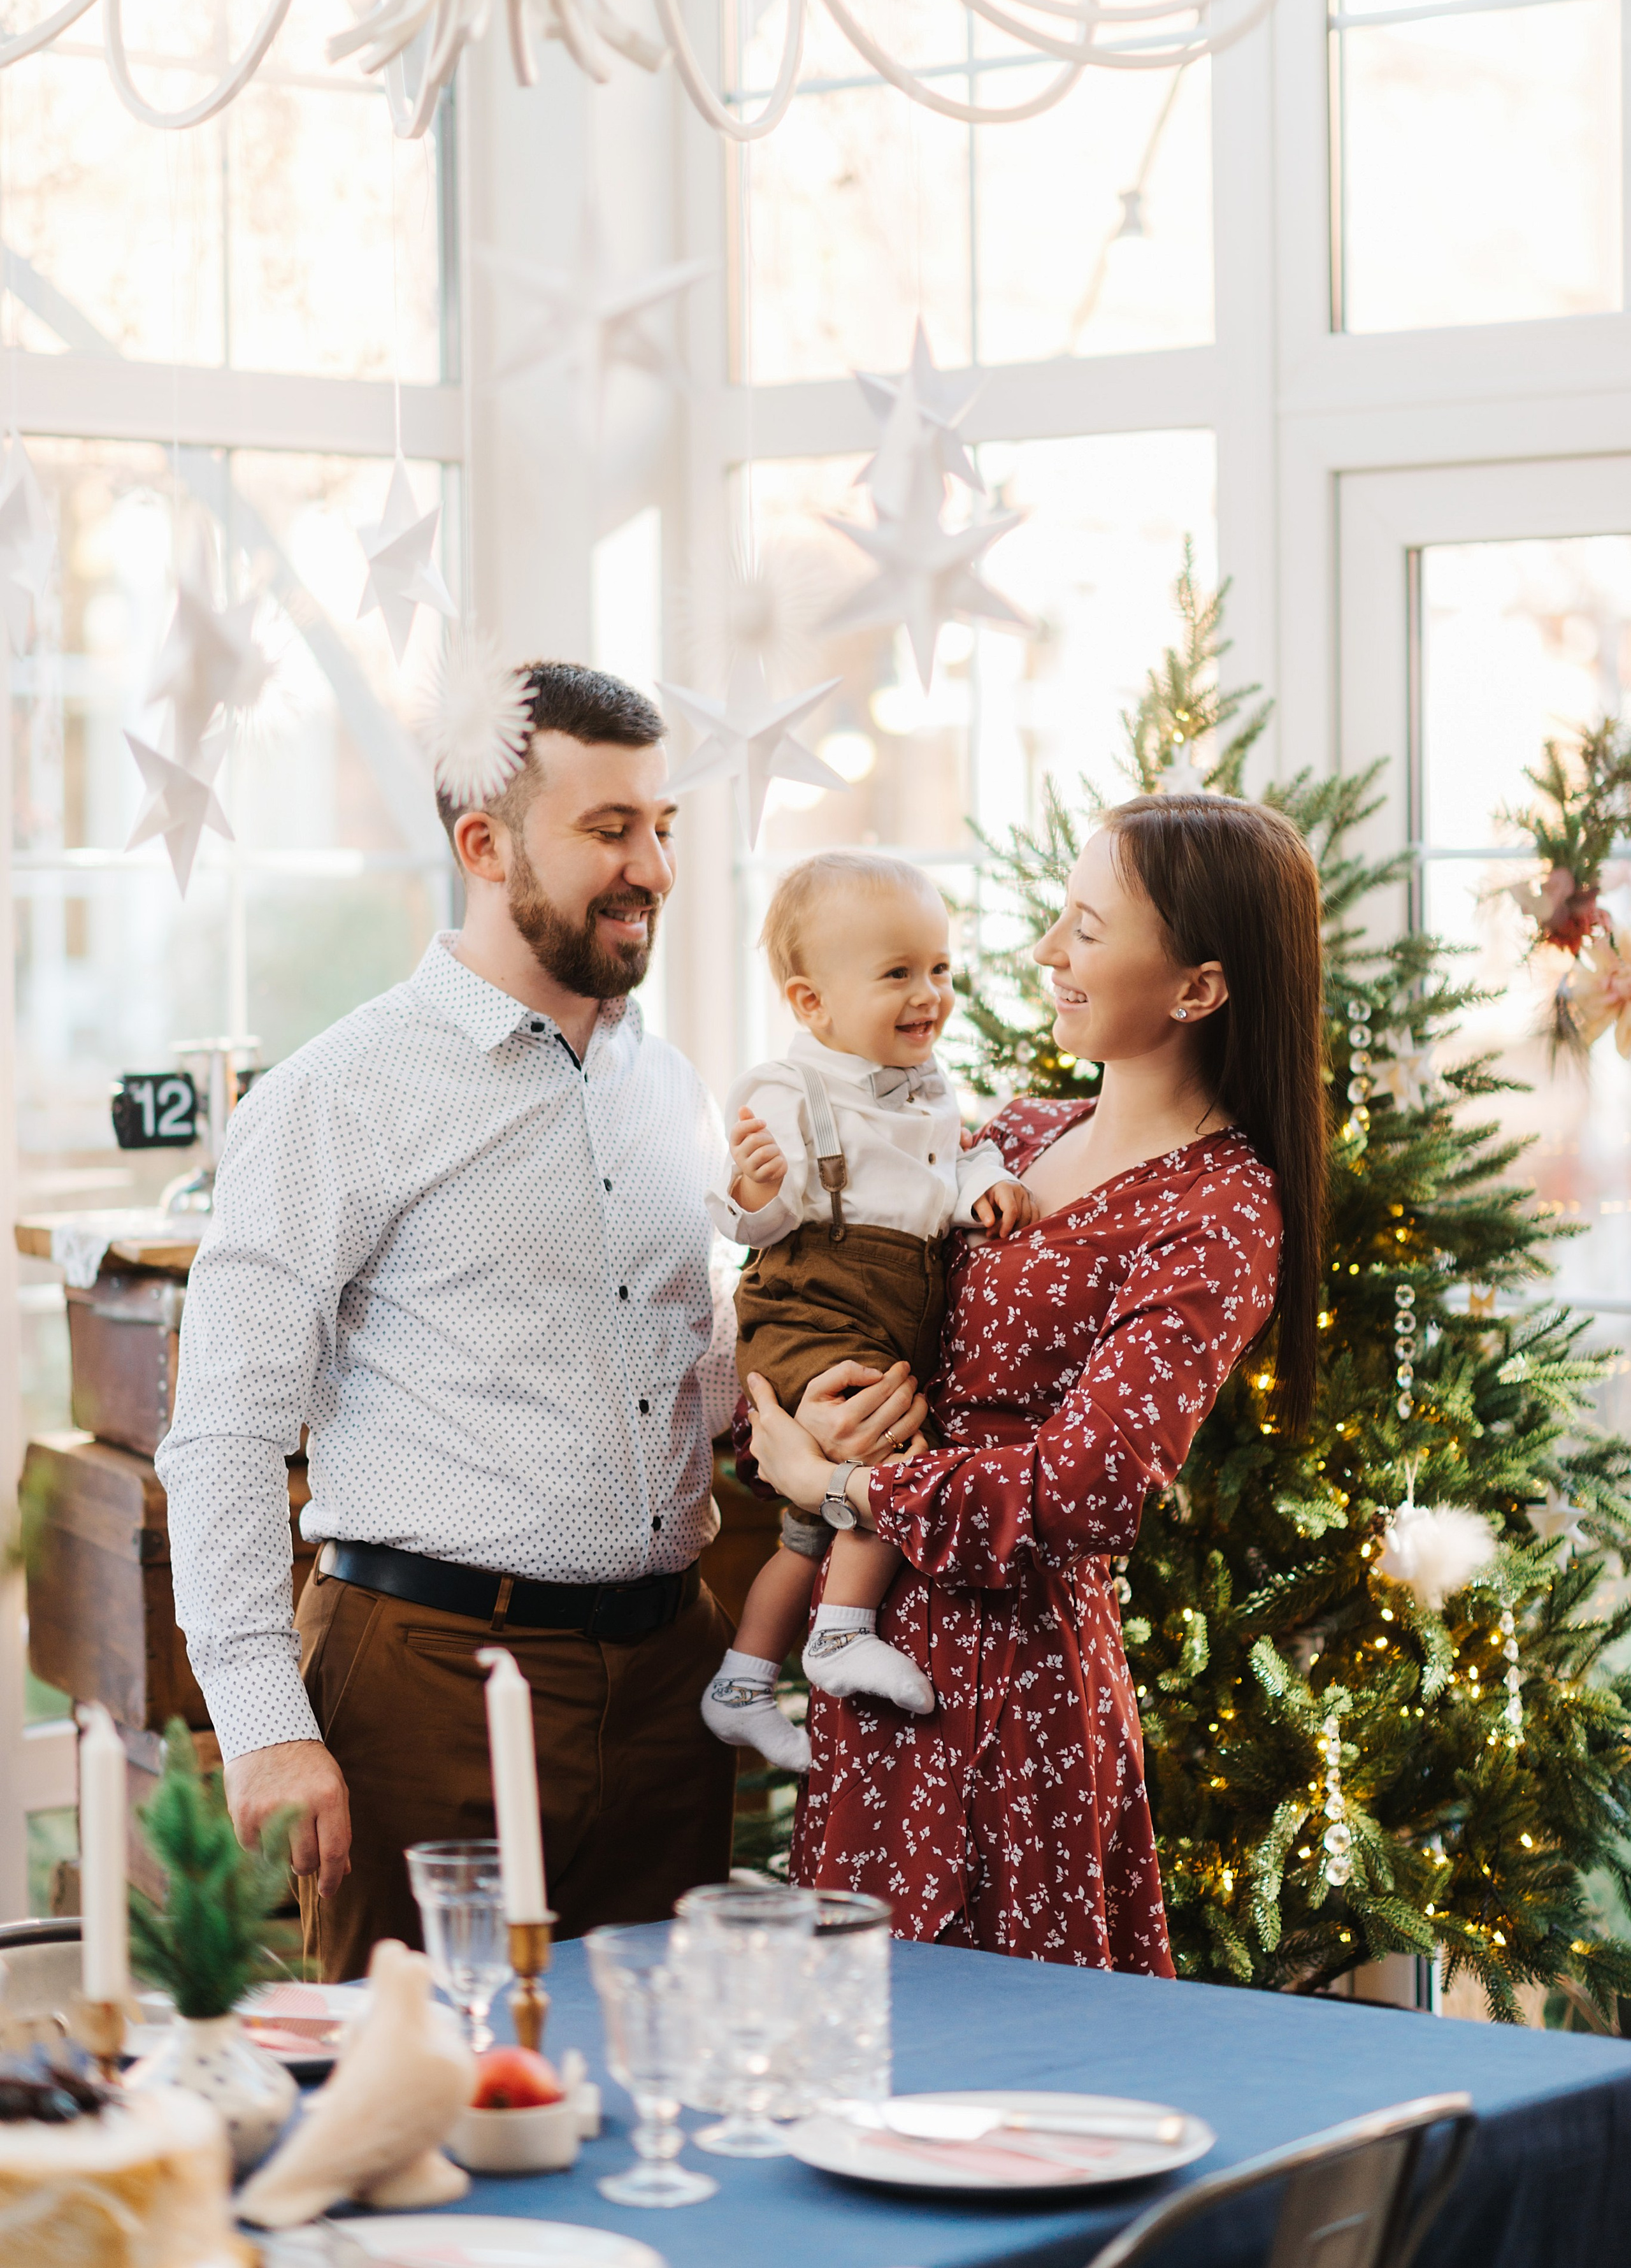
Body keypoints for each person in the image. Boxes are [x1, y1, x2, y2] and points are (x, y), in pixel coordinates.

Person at [156, 663, 740, 1981]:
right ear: (483, 843)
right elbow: (224, 1431)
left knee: (662, 2101)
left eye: (662, 826)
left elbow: (686, 1366)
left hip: (670, 1688)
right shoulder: (338, 1094)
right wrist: (262, 1722)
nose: (650, 864)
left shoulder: (677, 1092)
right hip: (428, 1684)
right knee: (415, 2115)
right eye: (608, 829)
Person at [744, 790, 1325, 1970]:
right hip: (873, 1657)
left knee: (1008, 2064)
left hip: (1013, 1685)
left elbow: (1088, 1489)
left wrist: (842, 1489)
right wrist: (803, 1404)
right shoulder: (1008, 1135)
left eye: (1088, 929)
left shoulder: (1217, 1209)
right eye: (1059, 917)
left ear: (1198, 988)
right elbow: (839, 1279)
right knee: (854, 2049)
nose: (1047, 952)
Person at [699, 852, 1033, 1772]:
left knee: (812, 1526)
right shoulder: (786, 1090)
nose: (929, 994)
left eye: (940, 970)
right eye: (898, 974)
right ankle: (840, 1638)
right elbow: (750, 1223)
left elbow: (952, 1166)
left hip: (889, 1318)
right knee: (894, 1462)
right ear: (812, 1004)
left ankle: (741, 1683)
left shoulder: (929, 1087)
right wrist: (755, 1188)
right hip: (813, 1307)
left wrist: (989, 1184)